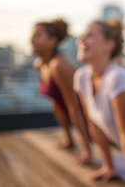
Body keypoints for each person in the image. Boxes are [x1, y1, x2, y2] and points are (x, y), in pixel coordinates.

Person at [74, 20, 125, 186]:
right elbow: (94, 125)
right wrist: (108, 165)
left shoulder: (117, 77)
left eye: (90, 36)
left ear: (109, 45)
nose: (81, 40)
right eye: (81, 36)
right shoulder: (81, 76)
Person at [31, 18, 92, 164]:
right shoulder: (39, 65)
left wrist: (87, 151)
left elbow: (74, 106)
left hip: (92, 118)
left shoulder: (60, 65)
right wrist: (69, 140)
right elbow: (57, 103)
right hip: (79, 119)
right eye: (32, 36)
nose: (32, 40)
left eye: (38, 35)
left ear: (52, 41)